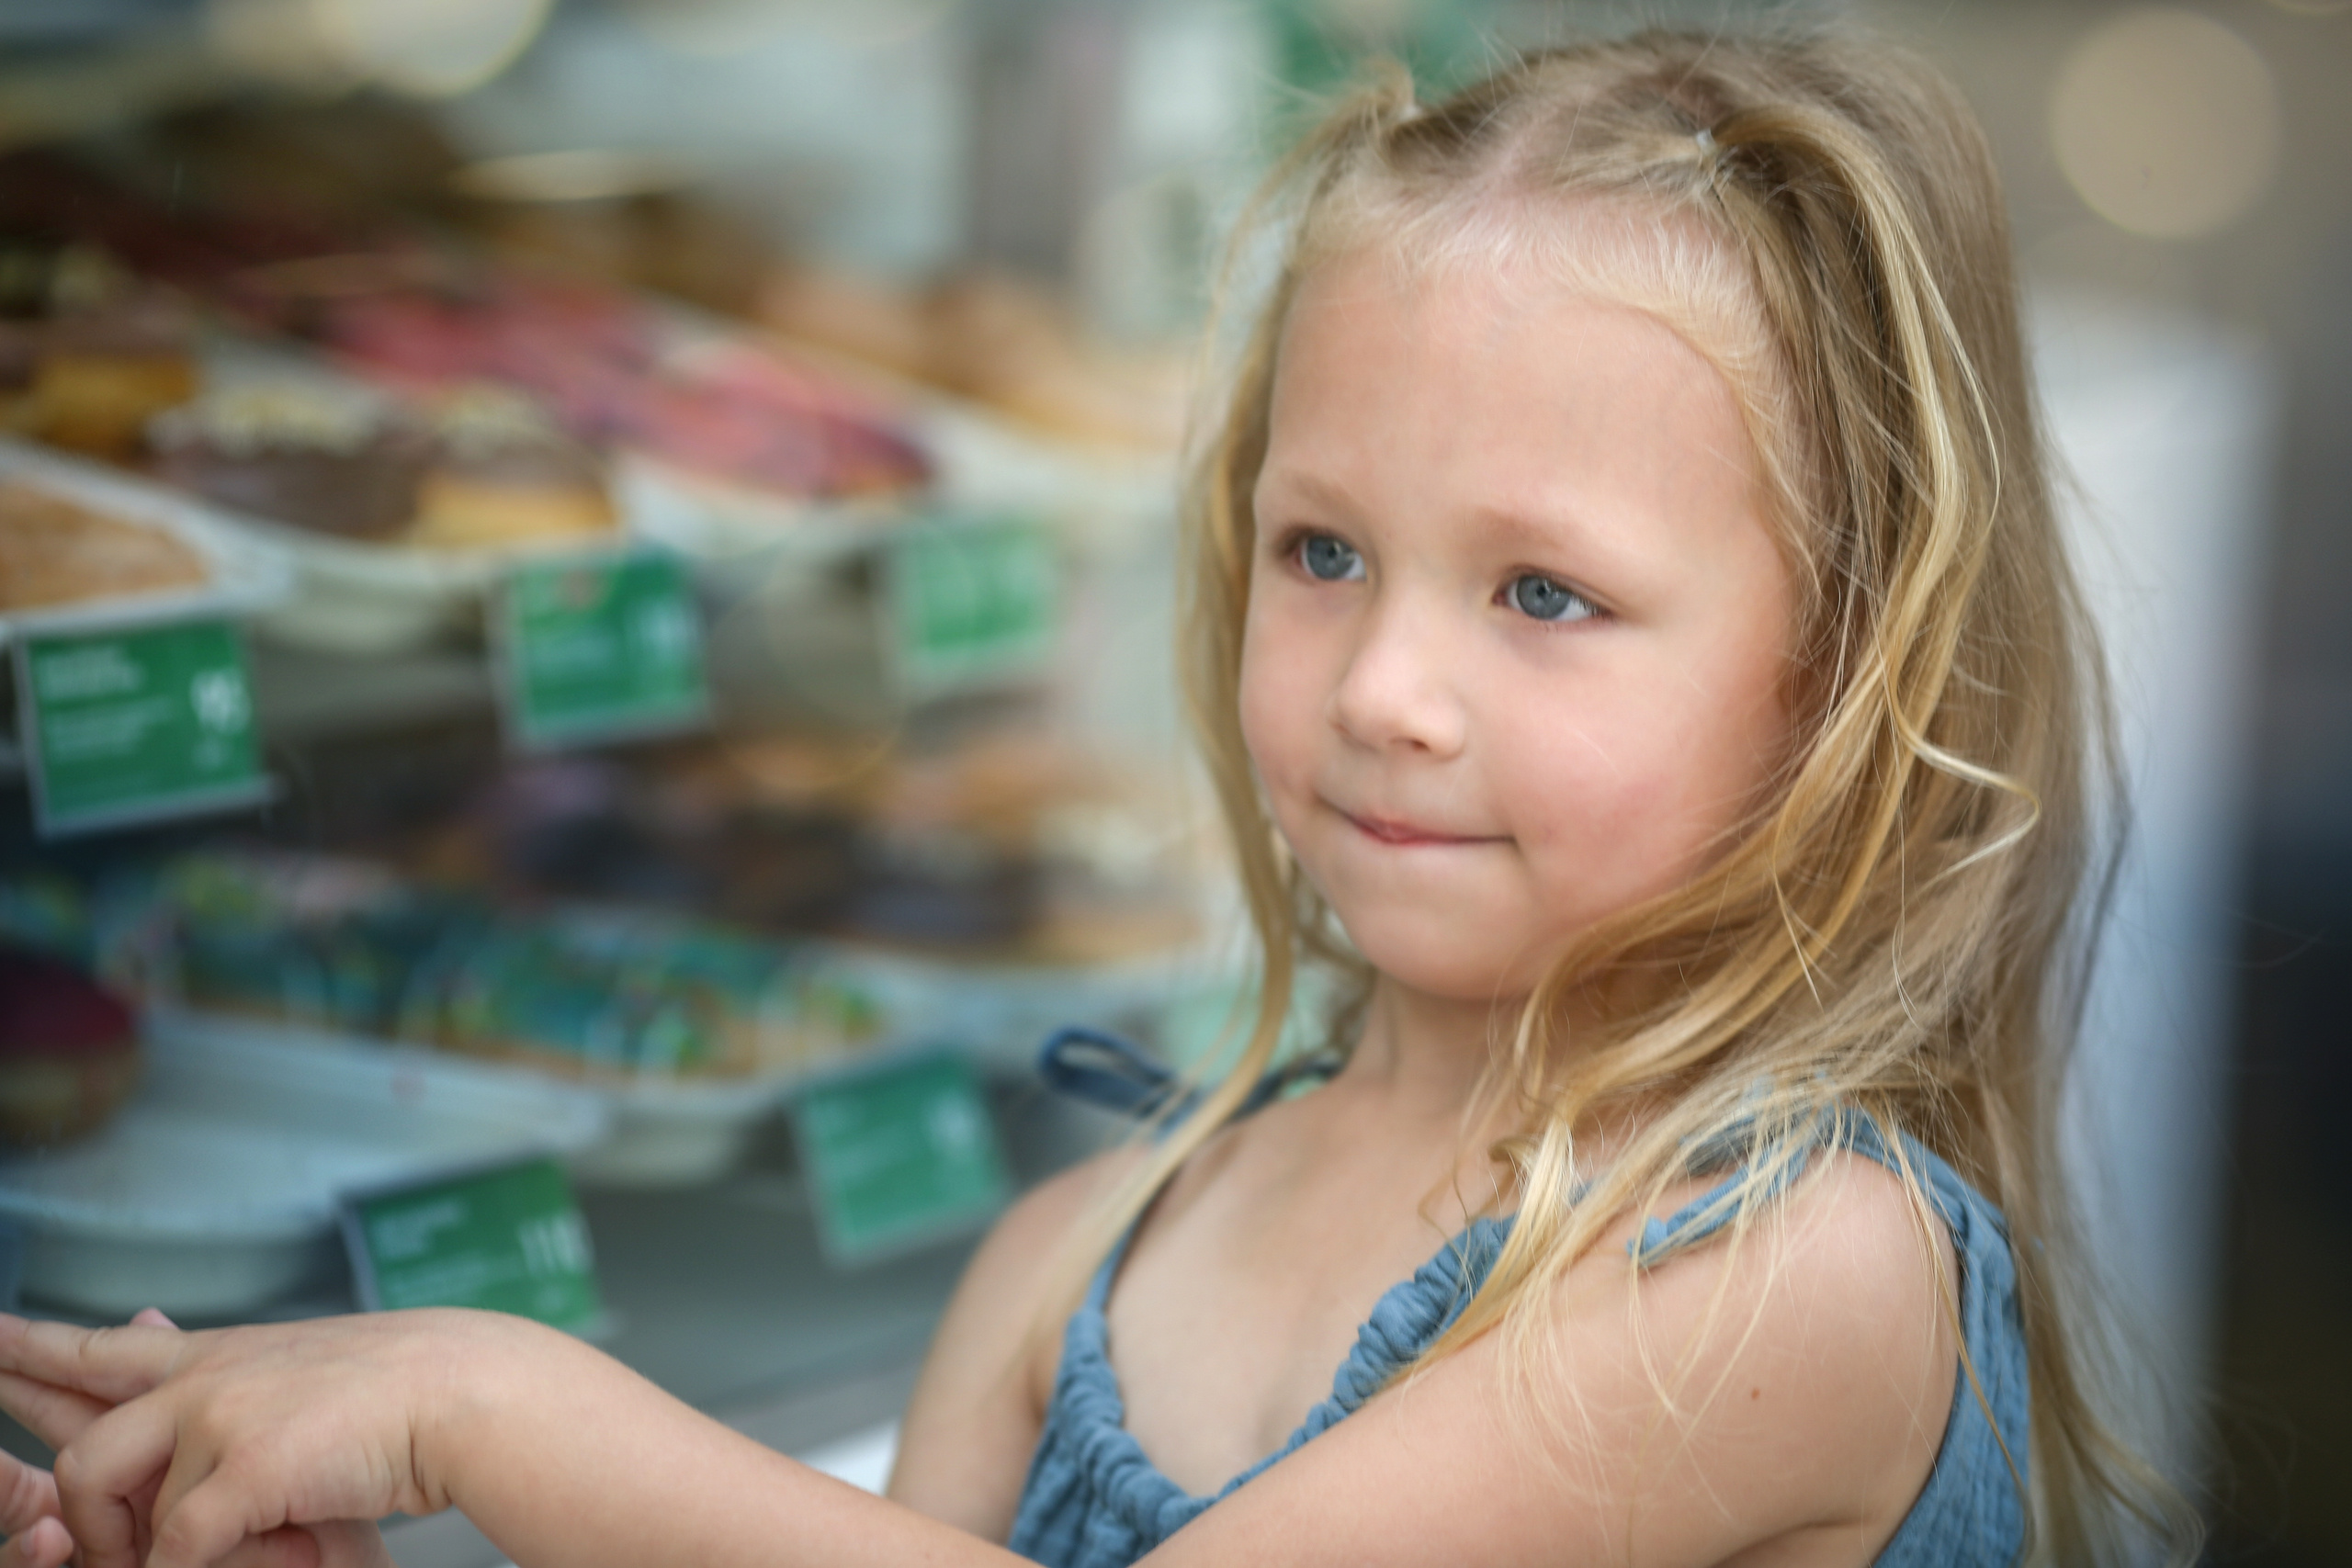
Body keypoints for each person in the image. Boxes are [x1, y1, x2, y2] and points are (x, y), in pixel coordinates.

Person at [0, 26, 2198, 1568]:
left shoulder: (1789, 1264)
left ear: (1845, 680)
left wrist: (494, 1405)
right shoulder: (1073, 1259)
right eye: (1319, 550)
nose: (1384, 687)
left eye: (1543, 592)